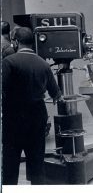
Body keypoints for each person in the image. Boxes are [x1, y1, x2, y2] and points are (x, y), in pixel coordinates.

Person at [2, 27, 63, 185]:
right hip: (37, 116)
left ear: (15, 42)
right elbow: (57, 94)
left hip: (13, 117)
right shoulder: (43, 64)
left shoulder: (8, 62)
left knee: (10, 164)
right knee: (36, 164)